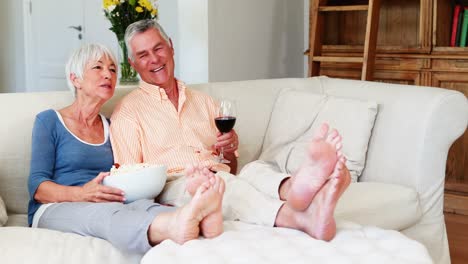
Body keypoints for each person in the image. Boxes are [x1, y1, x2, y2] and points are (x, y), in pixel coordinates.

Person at [110, 19, 351, 241]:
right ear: (132, 63)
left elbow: (229, 167)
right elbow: (131, 186)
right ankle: (300, 216)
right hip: (175, 185)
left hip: (218, 174)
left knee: (254, 170)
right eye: (143, 55)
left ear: (171, 47)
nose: (154, 59)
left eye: (158, 48)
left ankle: (295, 188)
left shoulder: (205, 103)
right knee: (222, 184)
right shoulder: (128, 113)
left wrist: (229, 150)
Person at [27, 43, 225, 254]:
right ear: (75, 79)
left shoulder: (111, 126)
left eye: (113, 69)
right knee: (104, 216)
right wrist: (82, 193)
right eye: (98, 67)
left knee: (143, 207)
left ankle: (203, 220)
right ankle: (176, 226)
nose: (108, 75)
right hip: (55, 207)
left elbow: (126, 172)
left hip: (107, 202)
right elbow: (38, 188)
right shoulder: (49, 121)